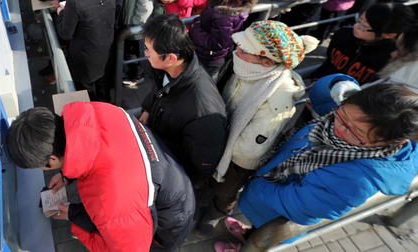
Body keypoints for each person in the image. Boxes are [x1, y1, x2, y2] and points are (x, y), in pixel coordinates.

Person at [223, 83, 418, 251]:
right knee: (256, 230)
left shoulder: (356, 180)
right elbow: (320, 94)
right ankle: (247, 234)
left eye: (355, 131)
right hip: (267, 197)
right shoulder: (359, 116)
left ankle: (245, 246)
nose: (338, 128)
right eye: (341, 114)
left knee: (262, 238)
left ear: (392, 143)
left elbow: (299, 206)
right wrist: (338, 84)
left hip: (274, 210)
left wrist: (256, 184)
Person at [5, 102, 197, 252]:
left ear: (53, 157)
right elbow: (97, 147)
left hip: (171, 222)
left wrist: (74, 215)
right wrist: (66, 175)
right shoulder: (96, 110)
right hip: (171, 176)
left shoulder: (112, 202)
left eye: (39, 166)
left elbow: (126, 249)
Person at [197, 21, 318, 239]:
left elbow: (250, 148)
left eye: (244, 49)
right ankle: (204, 193)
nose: (237, 50)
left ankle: (216, 213)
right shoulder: (245, 67)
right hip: (220, 140)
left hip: (239, 158)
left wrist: (215, 138)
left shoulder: (279, 94)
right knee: (211, 177)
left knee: (227, 191)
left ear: (266, 60)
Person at [140, 14, 228, 187]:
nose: (145, 54)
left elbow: (200, 165)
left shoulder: (203, 111)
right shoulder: (173, 68)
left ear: (171, 58)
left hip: (174, 177)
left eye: (148, 50)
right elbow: (160, 91)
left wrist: (152, 145)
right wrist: (147, 109)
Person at [56, 0, 116, 100]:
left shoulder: (75, 1)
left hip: (83, 61)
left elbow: (66, 33)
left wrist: (61, 13)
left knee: (86, 97)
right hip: (106, 53)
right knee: (103, 92)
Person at [311, 3, 416, 85]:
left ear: (389, 35)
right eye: (359, 19)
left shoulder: (391, 58)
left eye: (364, 27)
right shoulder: (343, 34)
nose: (356, 26)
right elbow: (329, 63)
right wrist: (316, 80)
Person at [189, 0, 259, 81]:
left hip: (209, 59)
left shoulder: (224, 15)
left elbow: (217, 44)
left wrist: (195, 28)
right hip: (208, 55)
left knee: (205, 87)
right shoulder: (228, 2)